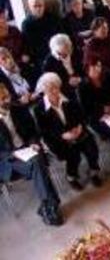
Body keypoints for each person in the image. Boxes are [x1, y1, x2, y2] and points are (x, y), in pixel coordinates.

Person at [0, 84, 63, 226]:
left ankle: (48, 207)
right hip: (7, 160)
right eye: (2, 99)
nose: (7, 100)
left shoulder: (18, 109)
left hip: (27, 150)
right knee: (37, 162)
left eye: (7, 96)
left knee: (37, 159)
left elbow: (33, 131)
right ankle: (51, 205)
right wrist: (13, 154)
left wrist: (33, 142)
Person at [34, 72, 102, 190]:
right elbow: (44, 132)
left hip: (76, 130)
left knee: (91, 147)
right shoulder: (39, 109)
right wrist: (62, 136)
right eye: (50, 89)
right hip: (58, 138)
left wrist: (80, 127)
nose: (55, 92)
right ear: (44, 91)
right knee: (73, 154)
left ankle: (93, 171)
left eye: (56, 87)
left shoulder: (69, 97)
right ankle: (71, 176)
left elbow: (81, 115)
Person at [21, 0, 66, 64]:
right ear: (30, 7)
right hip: (41, 56)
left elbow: (62, 34)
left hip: (58, 49)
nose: (38, 8)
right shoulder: (27, 24)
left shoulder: (53, 18)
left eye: (40, 5)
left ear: (44, 6)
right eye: (35, 6)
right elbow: (30, 46)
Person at [42, 33, 83, 100]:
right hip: (65, 90)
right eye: (61, 53)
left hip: (81, 83)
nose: (65, 55)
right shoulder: (48, 64)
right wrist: (68, 83)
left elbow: (85, 70)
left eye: (68, 51)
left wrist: (80, 79)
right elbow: (53, 85)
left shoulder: (76, 52)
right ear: (55, 51)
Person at [0, 8, 35, 82]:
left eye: (3, 17)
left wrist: (26, 53)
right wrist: (17, 62)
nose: (2, 21)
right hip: (11, 68)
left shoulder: (13, 30)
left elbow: (25, 43)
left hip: (25, 62)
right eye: (0, 18)